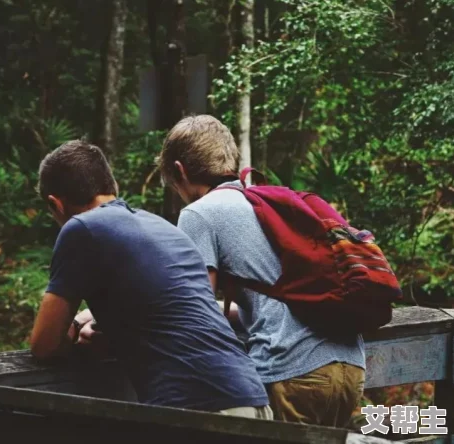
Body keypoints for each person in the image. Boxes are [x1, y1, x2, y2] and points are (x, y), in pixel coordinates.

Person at [30, 140, 272, 419]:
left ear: (55, 204)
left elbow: (44, 345)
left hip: (197, 407)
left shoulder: (81, 228)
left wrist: (71, 328)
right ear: (112, 187)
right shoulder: (162, 228)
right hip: (251, 397)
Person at [157, 115, 366, 427]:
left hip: (292, 371)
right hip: (350, 367)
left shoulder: (198, 214)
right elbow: (271, 303)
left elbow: (194, 312)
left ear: (180, 171)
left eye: (174, 186)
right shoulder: (266, 203)